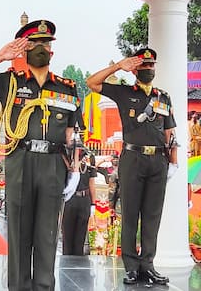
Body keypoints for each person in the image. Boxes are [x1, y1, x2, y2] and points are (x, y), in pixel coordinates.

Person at [0, 19, 81, 290]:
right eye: (34, 43)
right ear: (24, 50)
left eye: (45, 43)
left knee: (48, 234)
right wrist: (0, 56)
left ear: (52, 51)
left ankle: (44, 286)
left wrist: (74, 171)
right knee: (19, 233)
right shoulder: (10, 82)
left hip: (53, 164)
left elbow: (73, 136)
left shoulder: (67, 88)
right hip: (20, 161)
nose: (40, 47)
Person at [86, 48, 178, 286]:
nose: (149, 70)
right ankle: (131, 266)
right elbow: (92, 82)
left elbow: (170, 132)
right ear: (135, 69)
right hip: (132, 158)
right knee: (130, 214)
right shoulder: (125, 92)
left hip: (158, 160)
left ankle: (148, 265)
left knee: (152, 215)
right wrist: (118, 66)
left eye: (151, 66)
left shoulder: (163, 97)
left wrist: (174, 162)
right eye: (144, 66)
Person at [62, 150, 97, 255]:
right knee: (67, 236)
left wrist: (93, 204)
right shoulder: (67, 158)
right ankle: (67, 262)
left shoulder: (89, 159)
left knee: (80, 237)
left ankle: (79, 262)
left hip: (84, 199)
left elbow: (92, 185)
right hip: (70, 199)